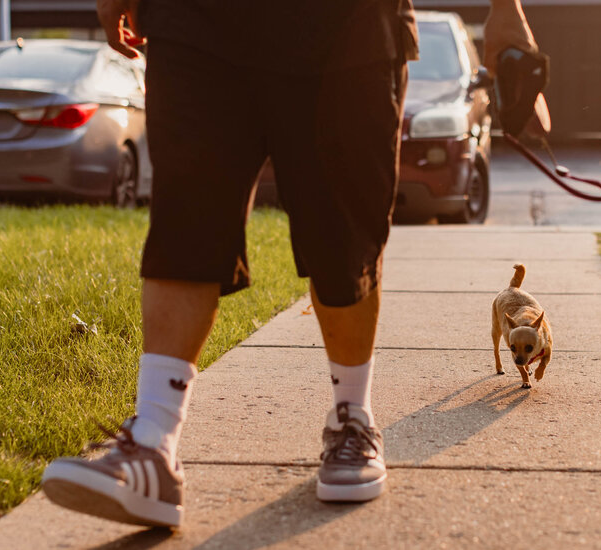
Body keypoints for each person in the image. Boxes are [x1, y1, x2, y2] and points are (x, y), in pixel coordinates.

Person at [40, 0, 540, 528]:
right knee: (185, 219)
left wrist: (505, 8)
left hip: (348, 26)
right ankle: (152, 447)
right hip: (194, 21)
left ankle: (352, 421)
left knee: (343, 234)